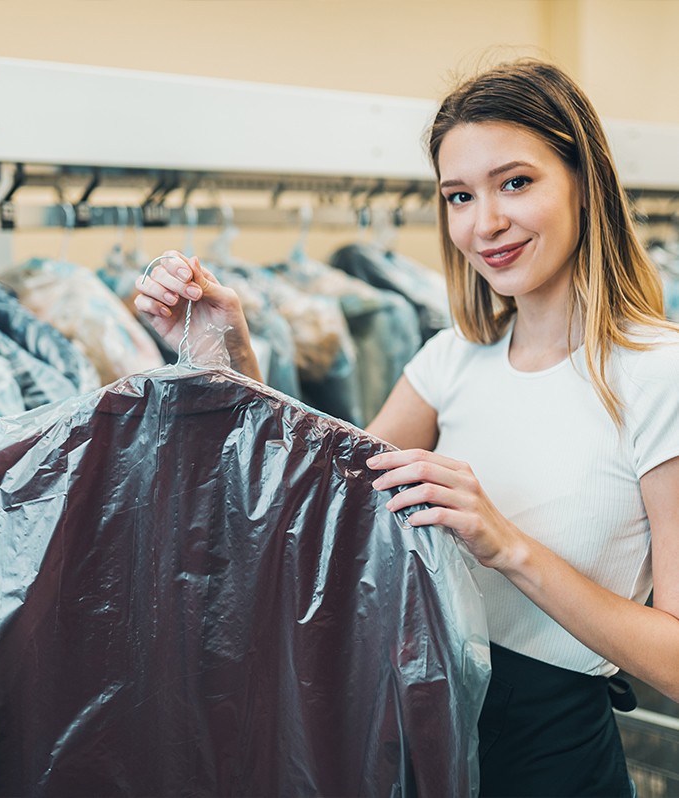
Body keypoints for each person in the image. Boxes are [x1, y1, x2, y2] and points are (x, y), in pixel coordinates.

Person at [134, 59, 679, 797]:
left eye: (515, 182)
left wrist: (507, 545)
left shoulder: (658, 374)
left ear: (585, 182)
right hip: (416, 730)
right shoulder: (451, 359)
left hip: (551, 758)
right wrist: (226, 353)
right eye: (460, 195)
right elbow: (315, 513)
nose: (484, 223)